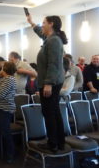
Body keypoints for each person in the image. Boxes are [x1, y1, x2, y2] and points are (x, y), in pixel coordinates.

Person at [27, 14, 67, 152]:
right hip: (52, 82)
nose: (42, 24)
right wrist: (32, 23)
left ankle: (52, 144)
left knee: (49, 112)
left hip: (51, 83)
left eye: (43, 22)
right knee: (54, 112)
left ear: (51, 24)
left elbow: (54, 64)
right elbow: (40, 32)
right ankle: (59, 142)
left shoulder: (54, 41)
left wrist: (48, 83)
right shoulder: (50, 38)